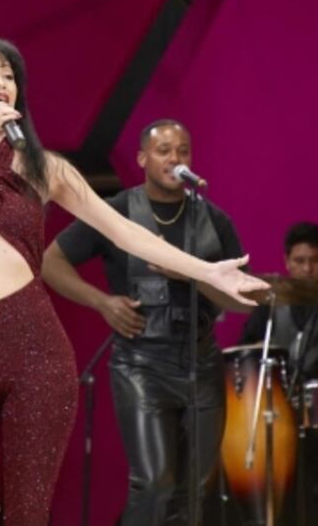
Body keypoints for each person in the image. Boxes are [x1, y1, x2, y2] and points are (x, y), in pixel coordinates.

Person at [0, 38, 268, 525]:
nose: (0, 82)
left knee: (29, 513)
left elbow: (124, 231)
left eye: (8, 75)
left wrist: (206, 270)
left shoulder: (45, 167)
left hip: (35, 346)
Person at [41, 119, 248, 525]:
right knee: (155, 483)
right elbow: (50, 261)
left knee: (196, 489)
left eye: (183, 151)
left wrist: (189, 274)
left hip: (202, 362)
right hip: (141, 363)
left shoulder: (213, 220)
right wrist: (102, 302)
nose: (175, 159)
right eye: (164, 151)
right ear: (142, 159)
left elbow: (243, 301)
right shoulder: (117, 211)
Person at [240, 221, 318, 381]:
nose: (308, 269)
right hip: (277, 391)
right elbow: (244, 352)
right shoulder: (270, 302)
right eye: (299, 261)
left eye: (315, 260)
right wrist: (256, 352)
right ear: (287, 261)